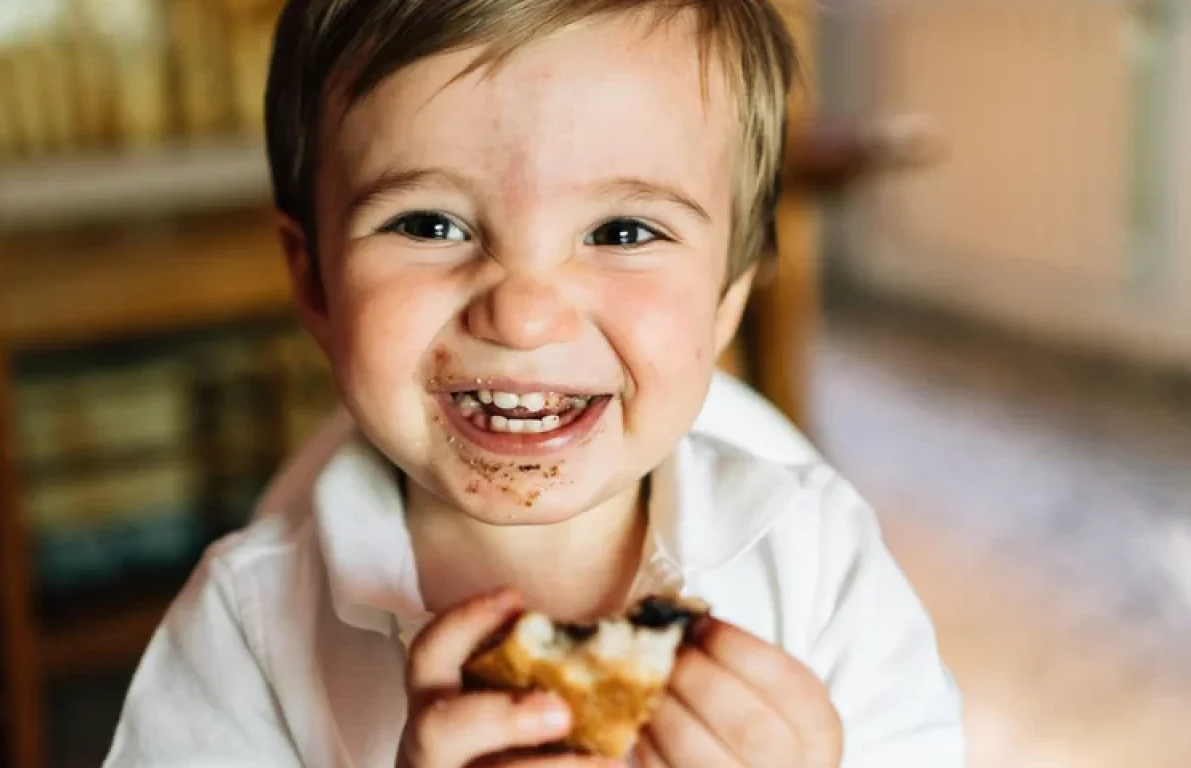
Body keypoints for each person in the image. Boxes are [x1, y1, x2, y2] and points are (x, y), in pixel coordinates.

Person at [105, 1, 963, 766]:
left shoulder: (817, 567)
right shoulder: (248, 631)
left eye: (623, 230)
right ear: (315, 283)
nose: (522, 315)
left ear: (727, 299)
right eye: (430, 224)